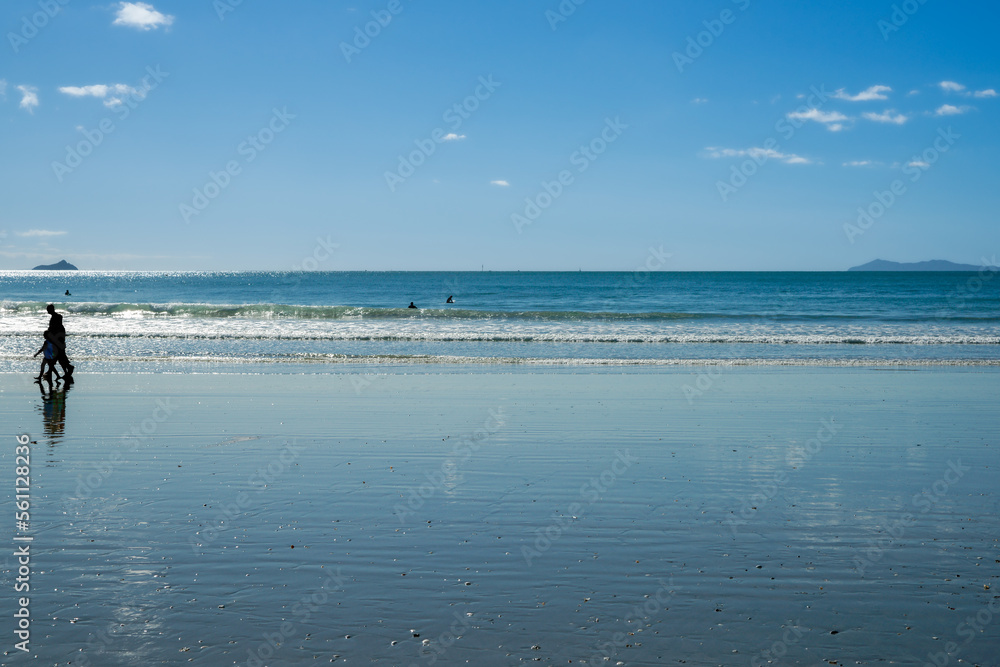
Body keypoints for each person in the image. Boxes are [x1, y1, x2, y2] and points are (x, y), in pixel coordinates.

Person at [45, 304, 74, 377]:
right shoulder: (56, 317)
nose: (47, 311)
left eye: (48, 309)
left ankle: (68, 369)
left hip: (57, 340)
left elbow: (54, 329)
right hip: (58, 339)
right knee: (59, 357)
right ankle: (66, 371)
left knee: (58, 356)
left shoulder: (57, 317)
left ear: (52, 309)